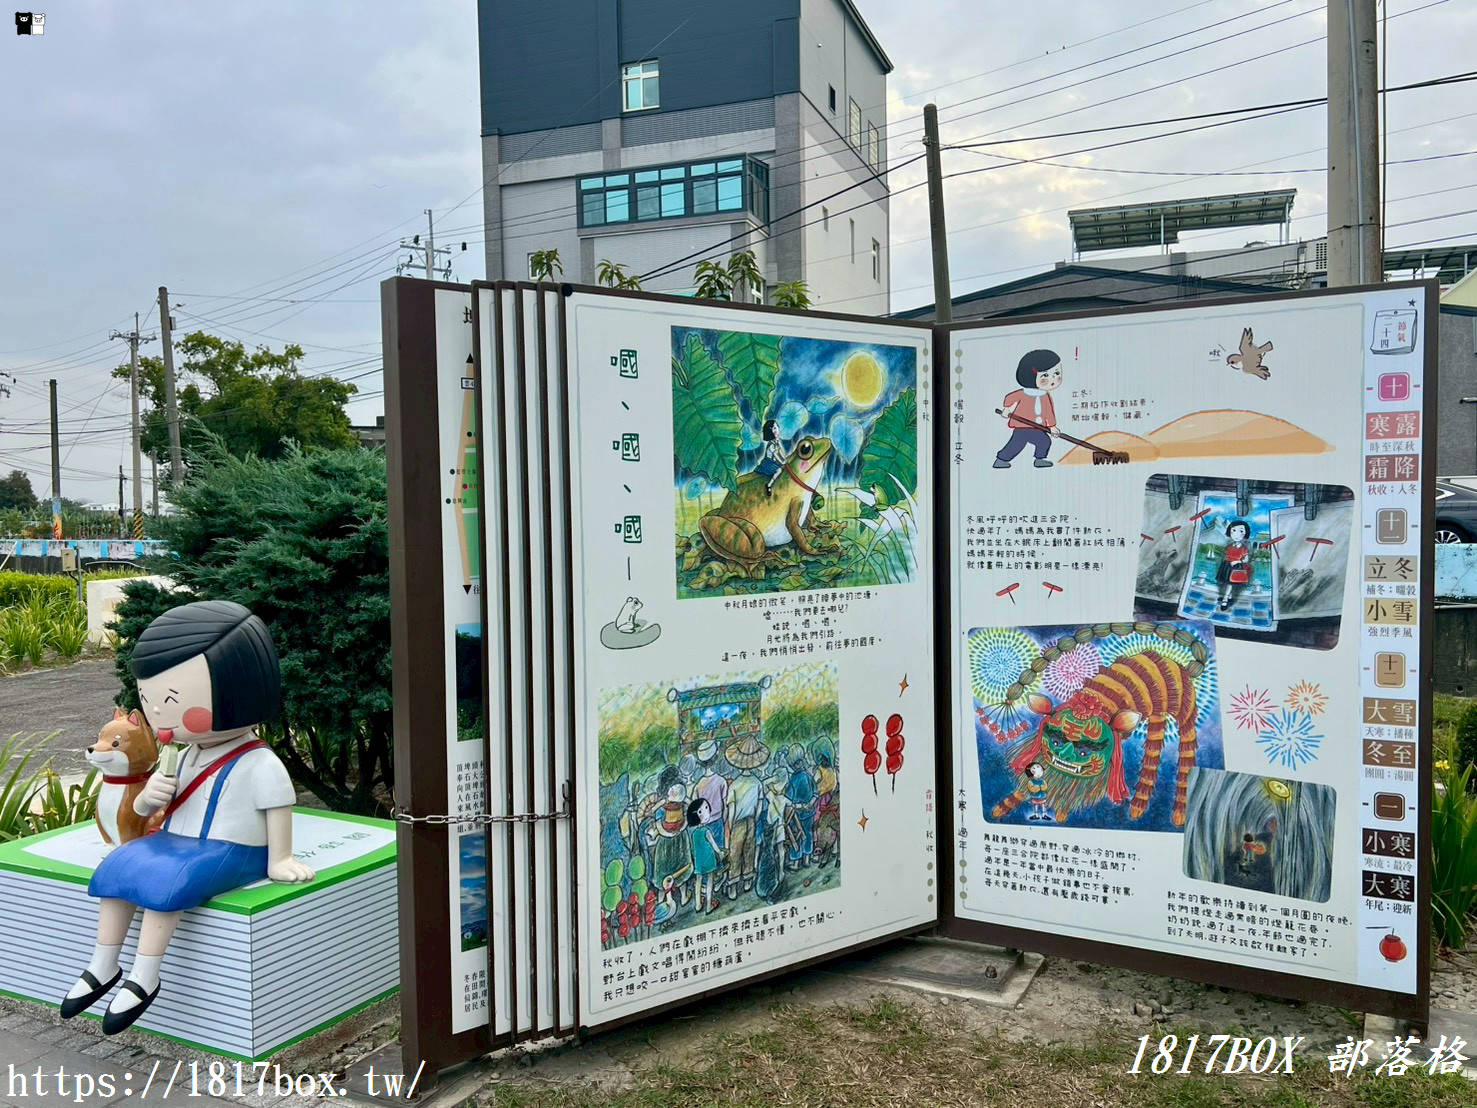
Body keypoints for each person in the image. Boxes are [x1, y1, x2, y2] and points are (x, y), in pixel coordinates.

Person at [61, 601, 314, 1035]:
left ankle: (146, 974)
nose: (160, 717)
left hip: (234, 850)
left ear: (240, 690)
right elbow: (145, 811)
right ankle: (102, 965)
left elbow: (278, 809)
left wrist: (280, 859)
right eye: (151, 701)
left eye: (173, 702)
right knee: (119, 866)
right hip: (177, 839)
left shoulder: (260, 762)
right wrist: (148, 800)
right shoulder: (185, 755)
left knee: (166, 882)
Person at [995, 349, 1064, 469]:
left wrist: (1052, 427)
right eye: (1046, 375)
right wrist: (1006, 409)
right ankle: (1001, 460)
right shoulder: (1023, 393)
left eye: (1057, 374)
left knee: (1044, 442)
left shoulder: (1045, 396)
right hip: (1022, 426)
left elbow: (1049, 413)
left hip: (1037, 427)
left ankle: (1040, 459)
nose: (1053, 379)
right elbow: (1009, 398)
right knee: (1016, 445)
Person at [723, 735, 770, 896]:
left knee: (735, 853)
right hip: (751, 821)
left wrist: (730, 824)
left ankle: (733, 885)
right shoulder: (757, 782)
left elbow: (732, 810)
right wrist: (755, 819)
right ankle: (748, 879)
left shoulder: (735, 785)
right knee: (749, 850)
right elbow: (759, 806)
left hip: (738, 823)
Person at [685, 797, 726, 914]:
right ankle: (708, 906)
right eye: (702, 810)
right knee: (710, 881)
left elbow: (694, 849)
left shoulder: (694, 834)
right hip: (709, 859)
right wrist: (720, 853)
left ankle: (698, 905)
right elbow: (713, 845)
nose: (707, 812)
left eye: (707, 808)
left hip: (699, 861)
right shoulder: (706, 831)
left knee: (698, 881)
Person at [784, 747, 817, 870]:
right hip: (809, 812)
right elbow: (815, 793)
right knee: (807, 834)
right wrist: (810, 804)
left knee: (796, 835)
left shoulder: (793, 779)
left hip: (796, 814)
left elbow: (788, 799)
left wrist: (800, 806)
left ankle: (796, 862)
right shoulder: (808, 776)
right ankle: (807, 859)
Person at [1216, 519, 1254, 612]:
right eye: (1234, 531)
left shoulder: (1244, 548)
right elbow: (1226, 555)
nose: (1236, 534)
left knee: (1230, 584)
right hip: (1227, 566)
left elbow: (1246, 560)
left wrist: (1237, 562)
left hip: (1235, 567)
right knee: (1227, 583)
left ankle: (1225, 600)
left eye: (1241, 531)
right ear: (1230, 532)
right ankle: (1229, 597)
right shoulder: (1229, 546)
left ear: (1245, 533)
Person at [812, 750, 840, 867]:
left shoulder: (819, 770)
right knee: (832, 827)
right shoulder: (833, 770)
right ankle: (835, 854)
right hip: (832, 799)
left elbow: (815, 783)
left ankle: (820, 850)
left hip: (822, 799)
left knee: (818, 824)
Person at [755, 419, 788, 497]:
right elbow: (776, 454)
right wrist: (782, 462)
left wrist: (785, 458)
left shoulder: (777, 441)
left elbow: (781, 452)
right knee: (779, 470)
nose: (777, 429)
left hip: (774, 461)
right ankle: (769, 485)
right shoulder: (771, 444)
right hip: (768, 462)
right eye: (774, 428)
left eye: (777, 427)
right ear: (770, 432)